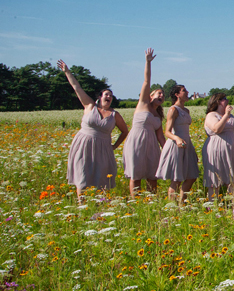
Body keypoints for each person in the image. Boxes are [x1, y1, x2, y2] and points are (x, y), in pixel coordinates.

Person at [59, 60, 129, 198]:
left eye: (111, 95)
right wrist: (67, 72)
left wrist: (115, 145)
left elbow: (125, 131)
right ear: (100, 97)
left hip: (103, 149)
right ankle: (81, 204)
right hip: (83, 145)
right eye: (106, 94)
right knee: (82, 175)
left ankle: (101, 205)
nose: (109, 96)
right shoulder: (90, 106)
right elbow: (76, 87)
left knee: (102, 177)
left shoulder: (115, 115)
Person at [123, 48, 166, 197]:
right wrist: (147, 62)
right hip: (136, 142)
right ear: (150, 95)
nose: (161, 95)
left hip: (152, 146)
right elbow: (147, 80)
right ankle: (135, 203)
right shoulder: (143, 103)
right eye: (159, 93)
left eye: (163, 95)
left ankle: (151, 203)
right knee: (136, 176)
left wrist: (168, 151)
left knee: (152, 177)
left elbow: (160, 137)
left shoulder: (158, 116)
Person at [155, 84, 199, 204]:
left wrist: (192, 150)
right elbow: (167, 132)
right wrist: (177, 138)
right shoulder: (173, 110)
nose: (187, 92)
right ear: (177, 95)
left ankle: (182, 203)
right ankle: (173, 208)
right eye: (184, 91)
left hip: (187, 145)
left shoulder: (186, 110)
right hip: (176, 145)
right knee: (176, 179)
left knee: (191, 176)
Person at [202, 93, 234, 208]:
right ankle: (212, 208)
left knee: (233, 179)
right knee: (214, 181)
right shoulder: (211, 115)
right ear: (217, 102)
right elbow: (217, 129)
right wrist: (226, 115)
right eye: (224, 99)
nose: (227, 100)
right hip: (215, 150)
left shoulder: (232, 117)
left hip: (232, 151)